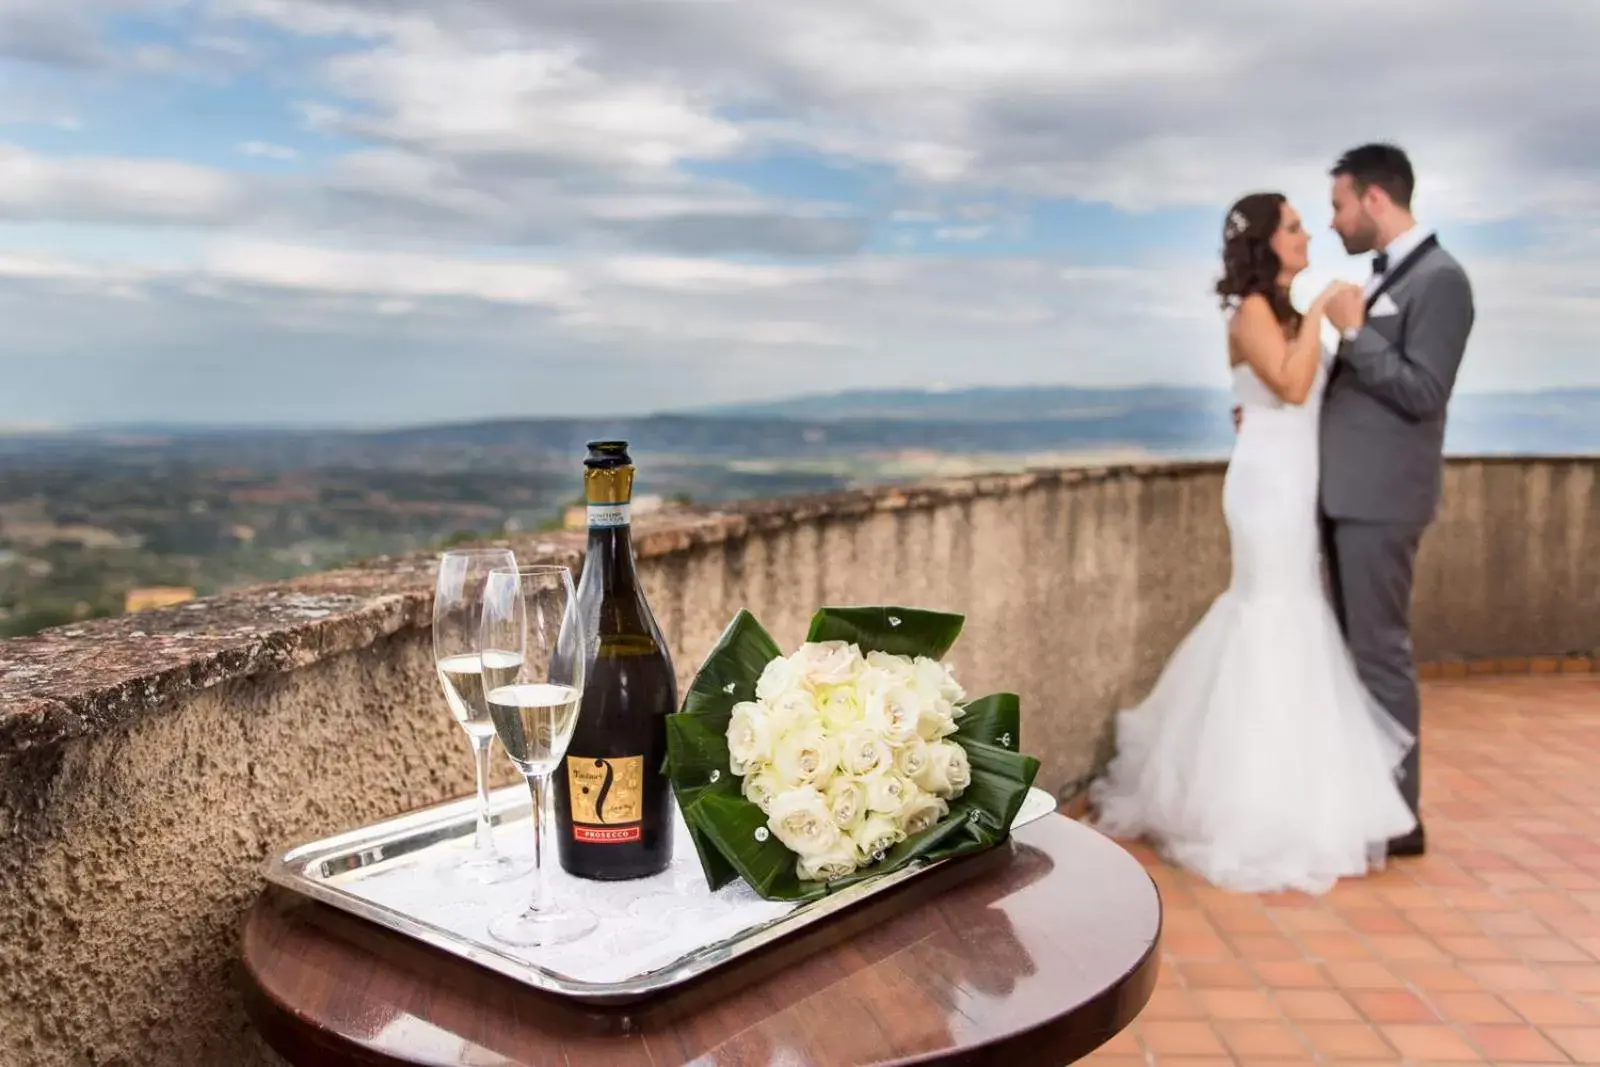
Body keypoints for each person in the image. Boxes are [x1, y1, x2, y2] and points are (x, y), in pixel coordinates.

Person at [1088, 186, 1419, 896]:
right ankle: (1246, 800)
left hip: (1297, 478)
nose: (1307, 236)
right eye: (1295, 228)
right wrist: (1327, 308)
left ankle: (1295, 789)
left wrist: (1318, 318)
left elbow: (1303, 392)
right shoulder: (1253, 310)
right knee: (1269, 610)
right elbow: (1294, 387)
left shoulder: (1286, 310)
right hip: (1268, 484)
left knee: (1296, 610)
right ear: (1265, 241)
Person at [1319, 143, 1476, 856]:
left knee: (1379, 652)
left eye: (1339, 205)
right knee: (1357, 653)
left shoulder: (1442, 280)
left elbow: (1423, 390)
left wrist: (1354, 334)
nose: (1334, 221)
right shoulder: (1389, 276)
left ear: (1374, 199)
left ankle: (1401, 817)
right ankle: (1369, 800)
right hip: (1350, 495)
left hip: (1383, 500)